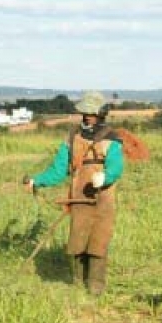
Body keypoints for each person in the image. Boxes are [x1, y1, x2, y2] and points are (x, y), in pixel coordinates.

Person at [24, 91, 125, 295]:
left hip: (103, 200)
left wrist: (105, 177)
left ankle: (96, 286)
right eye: (84, 112)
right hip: (78, 198)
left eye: (91, 112)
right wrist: (38, 181)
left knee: (99, 241)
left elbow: (116, 167)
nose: (87, 116)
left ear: (101, 113)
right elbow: (58, 170)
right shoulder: (72, 138)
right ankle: (78, 285)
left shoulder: (112, 139)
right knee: (78, 241)